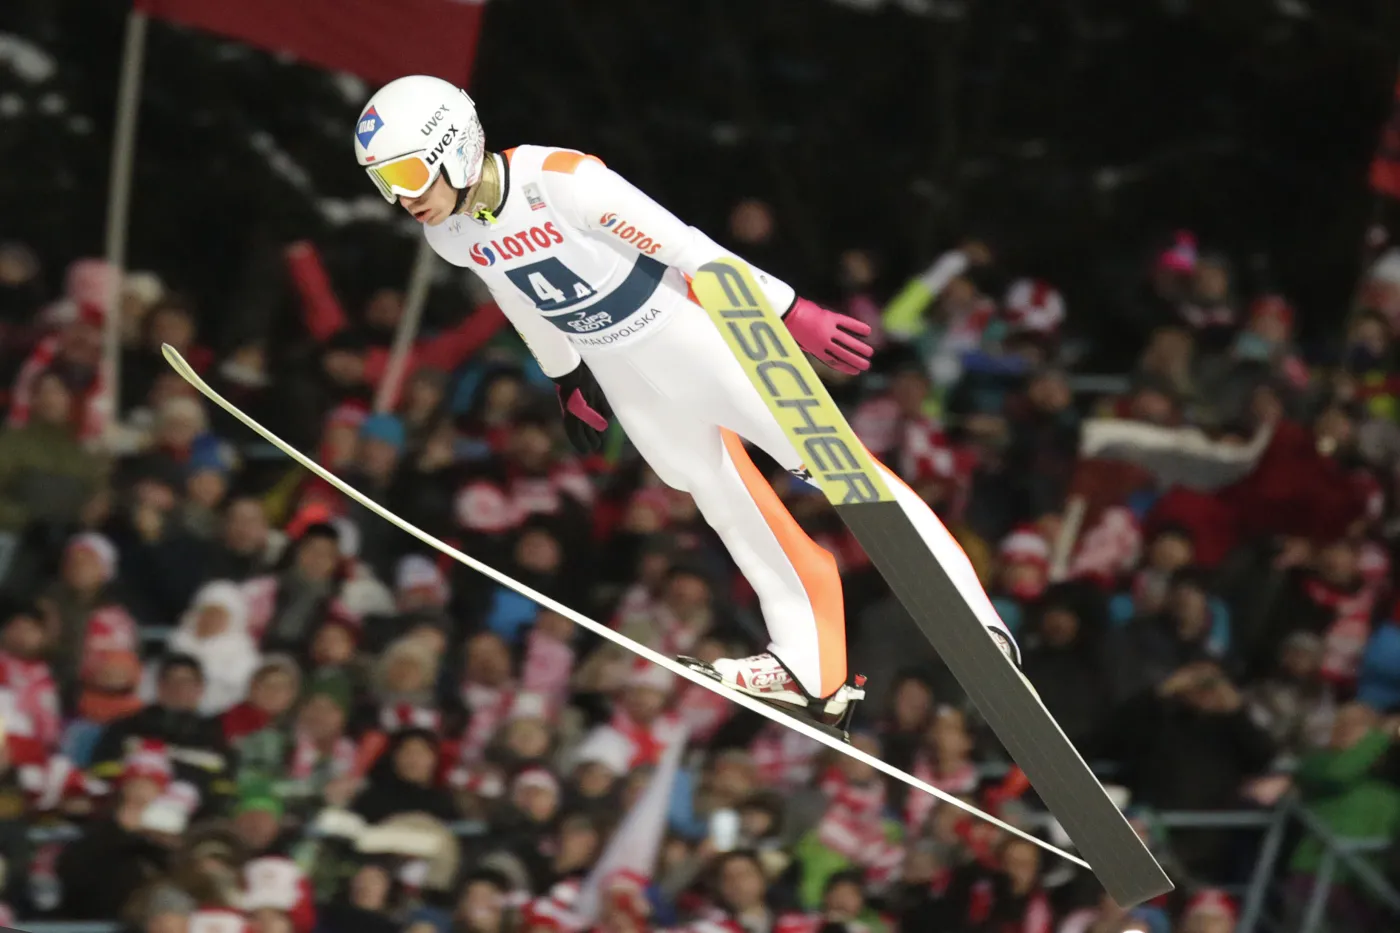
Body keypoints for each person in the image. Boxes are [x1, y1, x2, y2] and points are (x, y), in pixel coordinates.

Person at [352, 76, 1021, 730]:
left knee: (831, 464)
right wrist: (567, 375)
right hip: (622, 365)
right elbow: (516, 297)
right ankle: (810, 662)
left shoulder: (559, 180)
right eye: (385, 184)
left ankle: (975, 619)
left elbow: (691, 249)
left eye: (408, 175)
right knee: (709, 488)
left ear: (455, 147)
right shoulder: (450, 234)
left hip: (690, 333)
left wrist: (791, 310)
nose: (401, 198)